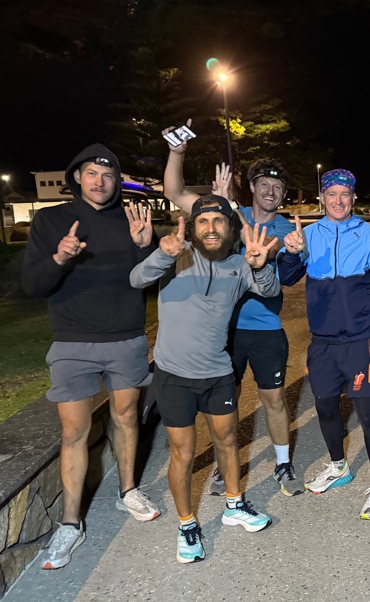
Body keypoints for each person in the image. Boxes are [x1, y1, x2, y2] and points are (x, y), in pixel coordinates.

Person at [21, 144, 161, 570]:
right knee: (73, 432)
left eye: (109, 174)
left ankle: (127, 491)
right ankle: (69, 523)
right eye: (92, 173)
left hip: (126, 337)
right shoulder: (50, 220)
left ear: (117, 181)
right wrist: (60, 257)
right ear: (77, 177)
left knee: (126, 418)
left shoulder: (132, 220)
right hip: (72, 341)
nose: (100, 181)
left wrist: (144, 247)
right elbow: (33, 284)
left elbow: (151, 282)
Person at [130, 195, 280, 563]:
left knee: (227, 441)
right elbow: (137, 279)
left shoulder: (238, 264)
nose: (211, 228)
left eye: (218, 221)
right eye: (203, 222)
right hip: (174, 377)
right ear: (193, 228)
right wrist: (162, 253)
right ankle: (186, 524)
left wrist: (260, 266)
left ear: (229, 228)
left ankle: (233, 505)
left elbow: (270, 290)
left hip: (217, 374)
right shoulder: (177, 256)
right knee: (182, 453)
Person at [162, 124, 301, 497]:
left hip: (265, 326)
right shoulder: (222, 212)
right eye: (264, 185)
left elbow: (263, 249)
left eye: (278, 188)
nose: (271, 192)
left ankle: (283, 463)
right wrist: (178, 152)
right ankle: (228, 467)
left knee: (273, 399)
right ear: (252, 187)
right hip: (223, 330)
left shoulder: (284, 227)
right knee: (227, 403)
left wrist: (231, 208)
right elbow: (173, 191)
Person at [277, 168, 370, 521]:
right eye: (332, 194)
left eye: (345, 194)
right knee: (326, 408)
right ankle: (338, 466)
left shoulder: (368, 233)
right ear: (323, 197)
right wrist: (290, 252)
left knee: (366, 411)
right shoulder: (309, 234)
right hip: (323, 343)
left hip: (361, 340)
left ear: (354, 198)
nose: (339, 201)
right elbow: (287, 279)